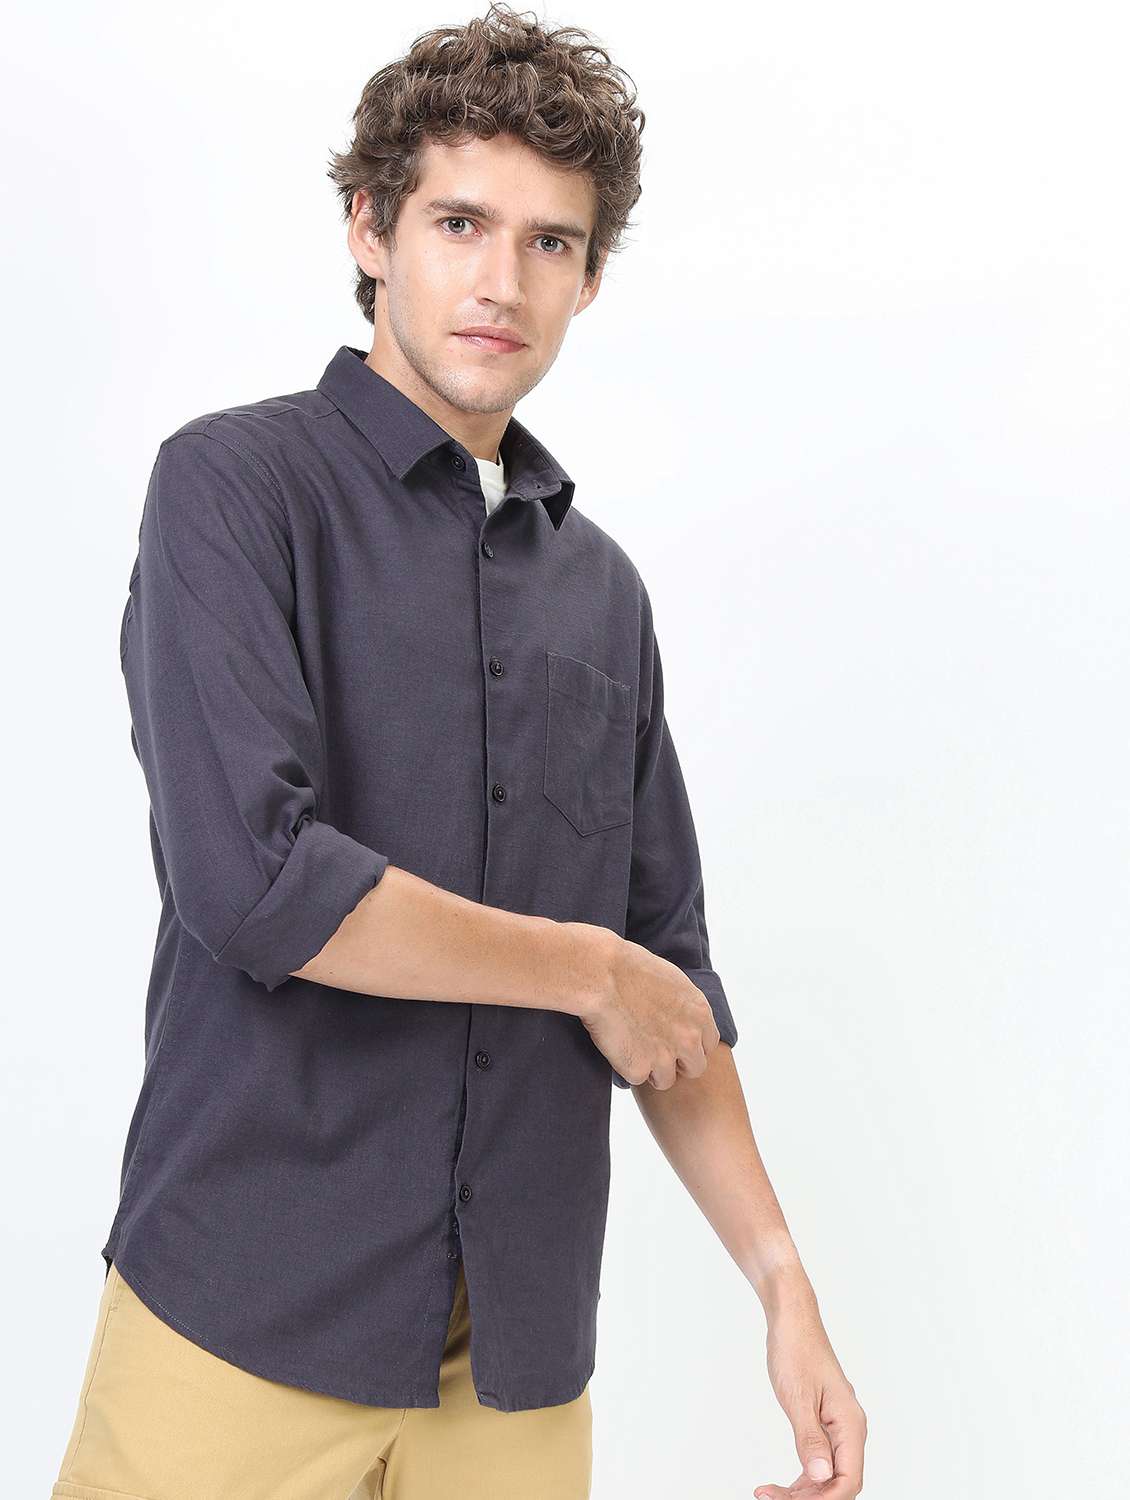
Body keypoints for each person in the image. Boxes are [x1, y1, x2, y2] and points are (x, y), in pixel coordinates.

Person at [50, 6, 866, 1498]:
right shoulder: (233, 491)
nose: (502, 282)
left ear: (590, 278)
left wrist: (780, 1282)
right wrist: (582, 969)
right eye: (459, 223)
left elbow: (666, 973)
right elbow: (258, 885)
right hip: (241, 1320)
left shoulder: (602, 592)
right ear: (370, 228)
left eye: (550, 242)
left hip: (516, 1366)